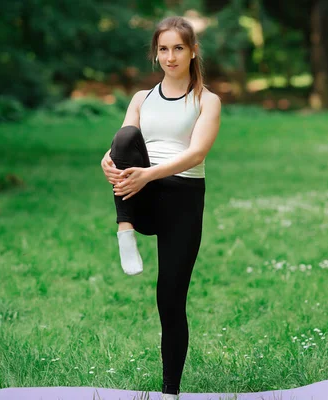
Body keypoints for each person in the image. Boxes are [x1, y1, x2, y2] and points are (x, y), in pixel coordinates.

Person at [100, 16, 221, 400]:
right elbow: (122, 143)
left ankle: (171, 392)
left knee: (169, 297)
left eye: (178, 48)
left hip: (182, 200)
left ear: (192, 52)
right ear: (156, 52)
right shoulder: (141, 98)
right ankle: (125, 232)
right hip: (142, 197)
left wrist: (148, 175)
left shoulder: (207, 100)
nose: (170, 57)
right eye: (164, 49)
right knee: (125, 136)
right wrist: (106, 159)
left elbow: (197, 152)